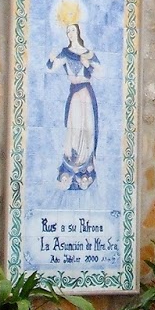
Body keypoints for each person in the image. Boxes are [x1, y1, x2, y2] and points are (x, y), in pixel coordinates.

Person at [46, 20, 98, 190]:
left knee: (87, 128)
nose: (70, 34)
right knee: (74, 128)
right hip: (75, 94)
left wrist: (87, 64)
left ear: (78, 32)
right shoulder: (65, 53)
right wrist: (51, 59)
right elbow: (51, 68)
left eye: (72, 30)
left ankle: (86, 169)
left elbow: (101, 71)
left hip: (86, 94)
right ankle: (71, 168)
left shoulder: (87, 53)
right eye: (67, 31)